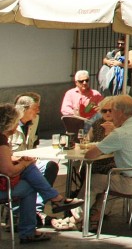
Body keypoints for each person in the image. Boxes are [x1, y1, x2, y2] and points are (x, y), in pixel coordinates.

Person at [0, 103, 82, 242]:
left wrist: (19, 160)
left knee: (31, 171)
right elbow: (9, 171)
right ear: (10, 123)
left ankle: (54, 200)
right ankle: (52, 202)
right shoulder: (1, 140)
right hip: (2, 186)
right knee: (30, 184)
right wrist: (25, 163)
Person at [83, 95, 132, 230]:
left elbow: (89, 155)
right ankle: (97, 214)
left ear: (120, 113)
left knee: (93, 180)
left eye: (111, 111)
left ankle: (77, 217)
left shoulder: (120, 133)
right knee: (108, 179)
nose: (110, 114)